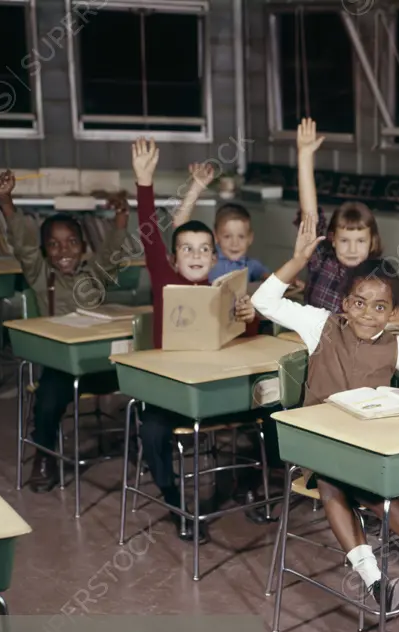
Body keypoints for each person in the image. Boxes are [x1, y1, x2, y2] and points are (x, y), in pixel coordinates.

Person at [252, 213, 399, 612]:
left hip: (362, 448)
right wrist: (297, 260)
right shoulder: (319, 323)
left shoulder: (395, 346)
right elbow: (263, 302)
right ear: (344, 303)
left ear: (394, 313)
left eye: (379, 307)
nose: (366, 313)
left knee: (366, 485)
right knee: (334, 481)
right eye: (358, 302)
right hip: (315, 445)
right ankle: (381, 577)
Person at [132, 137, 260, 543]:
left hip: (212, 390)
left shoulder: (220, 287)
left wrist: (249, 317)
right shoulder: (164, 279)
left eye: (204, 249)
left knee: (266, 409)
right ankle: (175, 502)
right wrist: (144, 182)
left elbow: (245, 338)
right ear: (174, 256)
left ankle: (256, 486)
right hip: (171, 393)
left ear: (214, 254)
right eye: (186, 248)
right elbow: (151, 235)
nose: (196, 254)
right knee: (152, 432)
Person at [0, 169, 132, 493]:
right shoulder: (42, 276)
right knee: (48, 396)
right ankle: (44, 455)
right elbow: (23, 245)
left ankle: (145, 448)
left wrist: (122, 217)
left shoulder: (96, 274)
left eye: (71, 242)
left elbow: (112, 251)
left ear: (84, 246)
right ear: (44, 251)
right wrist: (5, 200)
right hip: (64, 369)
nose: (64, 250)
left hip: (101, 363)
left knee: (146, 376)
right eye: (53, 245)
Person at [294, 117, 399, 317]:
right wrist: (304, 157)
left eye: (360, 241)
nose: (353, 249)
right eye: (345, 240)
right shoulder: (322, 260)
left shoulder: (379, 275)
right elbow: (310, 215)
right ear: (333, 239)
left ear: (372, 242)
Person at [171, 162, 274, 283]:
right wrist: (197, 187)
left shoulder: (252, 266)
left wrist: (289, 282)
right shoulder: (207, 258)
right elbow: (180, 226)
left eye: (241, 237)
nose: (234, 244)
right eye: (227, 236)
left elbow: (272, 279)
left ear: (250, 238)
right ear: (216, 236)